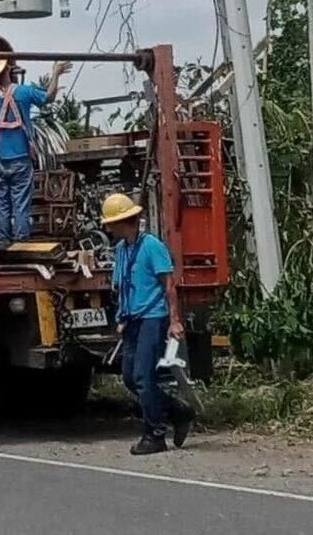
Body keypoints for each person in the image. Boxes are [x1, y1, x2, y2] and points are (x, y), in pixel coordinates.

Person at [101, 192, 193, 455]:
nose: (108, 228)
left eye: (111, 223)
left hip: (152, 317)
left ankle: (155, 434)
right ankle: (177, 410)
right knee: (131, 378)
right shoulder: (121, 250)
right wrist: (121, 317)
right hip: (132, 320)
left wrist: (174, 320)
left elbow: (168, 285)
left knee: (143, 376)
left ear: (123, 221)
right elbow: (123, 286)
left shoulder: (151, 245)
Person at [0, 57, 70, 245]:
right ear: (8, 70)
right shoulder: (24, 92)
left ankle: (3, 241)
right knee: (21, 203)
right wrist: (56, 73)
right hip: (21, 158)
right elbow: (48, 97)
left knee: (2, 203)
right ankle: (21, 242)